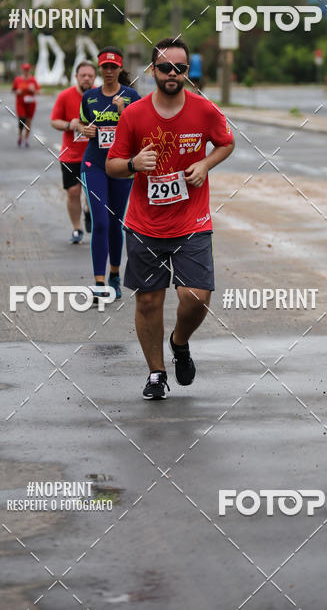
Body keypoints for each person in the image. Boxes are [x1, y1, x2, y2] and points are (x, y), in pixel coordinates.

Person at [106, 37, 235, 400]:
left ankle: (179, 341)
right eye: (165, 68)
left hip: (192, 222)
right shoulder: (134, 115)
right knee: (148, 302)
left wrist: (205, 164)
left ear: (187, 72)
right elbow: (112, 165)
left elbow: (227, 142)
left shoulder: (204, 109)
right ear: (153, 71)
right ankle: (156, 373)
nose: (173, 74)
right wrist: (134, 164)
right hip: (144, 224)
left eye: (180, 68)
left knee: (197, 296)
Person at [79, 47, 140, 301]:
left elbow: (139, 131)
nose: (108, 71)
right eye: (105, 67)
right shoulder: (90, 97)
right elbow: (82, 123)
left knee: (116, 222)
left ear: (120, 68)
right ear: (99, 68)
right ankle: (99, 282)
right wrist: (84, 130)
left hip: (121, 165)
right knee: (101, 222)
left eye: (113, 67)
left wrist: (123, 112)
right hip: (94, 164)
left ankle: (114, 274)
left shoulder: (132, 96)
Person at [50, 60, 97, 244]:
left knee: (93, 192)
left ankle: (88, 210)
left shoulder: (100, 95)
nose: (86, 78)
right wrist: (70, 125)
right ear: (76, 76)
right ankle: (77, 228)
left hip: (95, 154)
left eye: (90, 75)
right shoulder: (65, 96)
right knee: (73, 192)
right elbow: (54, 121)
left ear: (95, 77)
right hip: (71, 155)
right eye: (83, 75)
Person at [12, 62, 40, 147]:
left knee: (28, 122)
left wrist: (33, 90)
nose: (26, 71)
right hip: (20, 103)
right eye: (25, 70)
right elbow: (13, 90)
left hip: (31, 104)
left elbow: (38, 91)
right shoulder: (18, 80)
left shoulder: (33, 80)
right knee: (22, 119)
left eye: (27, 70)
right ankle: (20, 135)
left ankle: (26, 139)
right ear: (22, 70)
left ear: (29, 70)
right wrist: (17, 92)